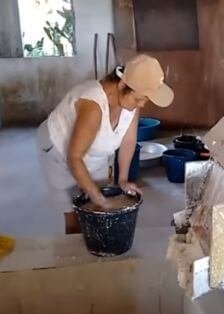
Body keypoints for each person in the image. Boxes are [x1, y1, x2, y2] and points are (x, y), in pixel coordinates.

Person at [36, 54, 174, 233]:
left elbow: (128, 141)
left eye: (145, 100)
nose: (141, 105)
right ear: (123, 85)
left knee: (98, 212)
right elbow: (74, 157)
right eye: (139, 99)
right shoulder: (93, 106)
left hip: (94, 152)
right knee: (75, 216)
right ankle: (75, 252)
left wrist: (123, 180)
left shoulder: (131, 102)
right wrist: (97, 197)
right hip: (59, 152)